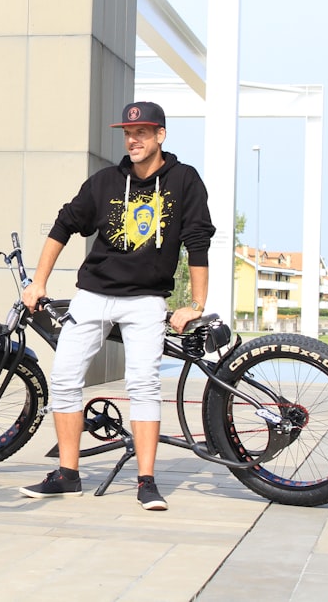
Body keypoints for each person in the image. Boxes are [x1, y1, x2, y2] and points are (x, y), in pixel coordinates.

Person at [18, 101, 214, 510]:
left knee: (143, 384)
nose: (133, 139)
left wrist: (195, 303)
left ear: (160, 135)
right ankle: (68, 475)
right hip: (94, 295)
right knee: (66, 378)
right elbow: (63, 225)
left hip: (145, 300)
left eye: (142, 132)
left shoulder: (184, 181)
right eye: (128, 132)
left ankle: (146, 482)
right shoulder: (106, 181)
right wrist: (39, 282)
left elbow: (197, 241)